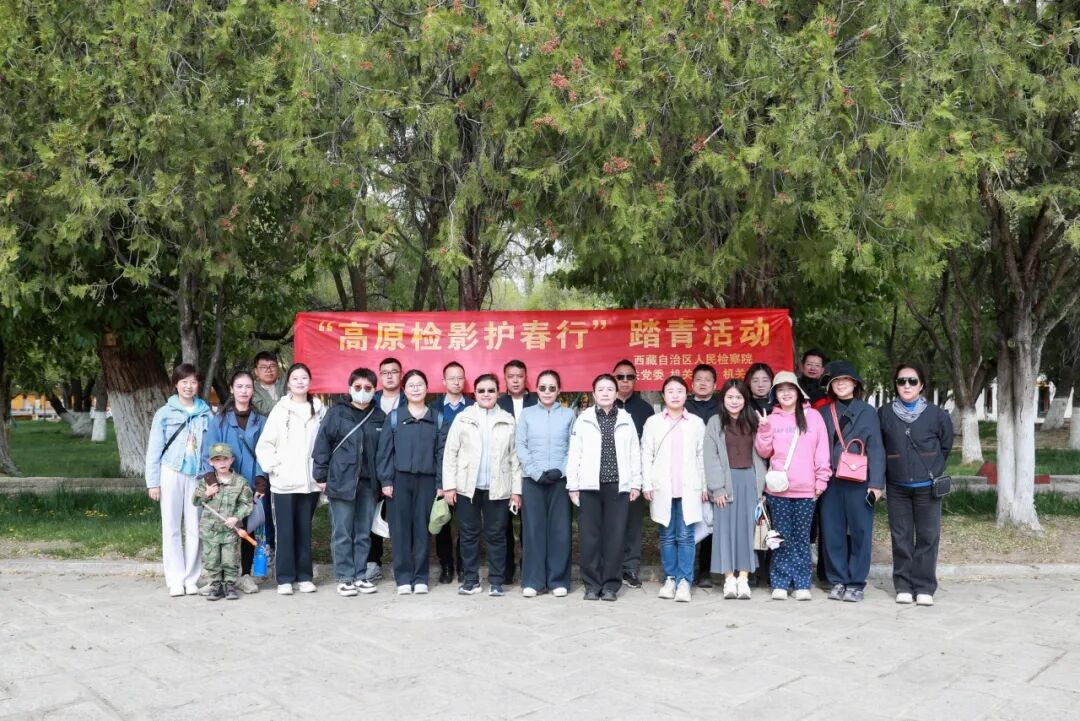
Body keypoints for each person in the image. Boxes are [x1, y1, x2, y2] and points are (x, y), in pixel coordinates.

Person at [879, 363, 953, 606]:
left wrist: (931, 467)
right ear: (896, 385)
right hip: (897, 486)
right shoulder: (884, 413)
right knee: (900, 537)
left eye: (912, 381)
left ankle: (924, 586)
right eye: (901, 381)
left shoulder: (937, 415)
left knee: (927, 537)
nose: (907, 385)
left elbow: (945, 446)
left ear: (921, 385)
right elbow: (879, 447)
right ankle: (903, 585)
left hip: (927, 487)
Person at [442, 374, 522, 597]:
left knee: (497, 535)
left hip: (499, 488)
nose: (486, 394)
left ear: (498, 393)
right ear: (474, 393)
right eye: (481, 390)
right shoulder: (463, 418)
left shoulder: (508, 420)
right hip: (467, 488)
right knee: (468, 535)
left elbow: (515, 458)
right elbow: (450, 453)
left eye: (491, 390)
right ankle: (471, 580)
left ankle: (496, 581)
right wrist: (449, 486)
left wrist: (516, 491)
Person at [754, 371, 831, 600]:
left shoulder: (813, 417)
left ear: (798, 392)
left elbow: (822, 450)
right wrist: (764, 429)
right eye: (780, 390)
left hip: (806, 488)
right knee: (779, 537)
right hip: (778, 489)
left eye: (790, 389)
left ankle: (801, 583)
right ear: (775, 395)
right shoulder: (772, 418)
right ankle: (780, 581)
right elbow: (763, 452)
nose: (786, 393)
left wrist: (822, 479)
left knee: (802, 538)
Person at [566, 374, 642, 602]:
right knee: (589, 538)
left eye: (610, 389)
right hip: (589, 486)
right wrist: (573, 485)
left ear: (616, 393)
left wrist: (636, 482)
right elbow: (575, 454)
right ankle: (591, 584)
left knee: (615, 537)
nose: (606, 393)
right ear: (594, 394)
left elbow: (634, 452)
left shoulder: (626, 419)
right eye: (601, 389)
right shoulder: (583, 419)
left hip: (618, 486)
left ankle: (610, 585)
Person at [312, 368, 386, 597]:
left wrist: (383, 481)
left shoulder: (379, 415)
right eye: (358, 387)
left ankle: (360, 575)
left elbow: (384, 452)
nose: (362, 391)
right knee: (342, 532)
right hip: (341, 480)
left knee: (363, 532)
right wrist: (320, 476)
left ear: (374, 390)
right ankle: (345, 577)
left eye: (368, 388)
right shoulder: (337, 413)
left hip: (368, 484)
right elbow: (322, 445)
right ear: (349, 388)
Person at [818, 360, 886, 603]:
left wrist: (876, 484)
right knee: (832, 532)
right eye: (836, 381)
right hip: (831, 480)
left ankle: (856, 583)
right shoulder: (823, 413)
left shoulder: (868, 412)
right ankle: (837, 580)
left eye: (845, 380)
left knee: (861, 532)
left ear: (855, 384)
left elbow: (876, 448)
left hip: (860, 480)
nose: (841, 384)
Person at [255, 363, 326, 595]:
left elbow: (325, 442)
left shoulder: (319, 409)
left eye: (304, 378)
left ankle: (304, 576)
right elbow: (265, 445)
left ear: (310, 381)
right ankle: (285, 578)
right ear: (288, 383)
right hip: (283, 482)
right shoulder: (280, 409)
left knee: (304, 530)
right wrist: (275, 468)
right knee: (284, 531)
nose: (300, 382)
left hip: (310, 482)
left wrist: (321, 471)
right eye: (295, 378)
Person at [376, 369, 447, 595]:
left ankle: (421, 577)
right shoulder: (394, 417)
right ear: (404, 390)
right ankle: (403, 578)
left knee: (422, 531)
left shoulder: (437, 418)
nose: (416, 389)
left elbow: (441, 454)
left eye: (420, 384)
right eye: (411, 385)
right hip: (399, 481)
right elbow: (385, 452)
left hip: (427, 482)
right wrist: (386, 480)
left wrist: (440, 483)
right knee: (400, 531)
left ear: (427, 388)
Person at [145, 363, 213, 597]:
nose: (188, 386)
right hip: (171, 471)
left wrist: (211, 478)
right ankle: (175, 579)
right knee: (171, 526)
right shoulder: (165, 413)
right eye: (184, 382)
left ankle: (191, 579)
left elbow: (211, 447)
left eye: (193, 382)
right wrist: (153, 482)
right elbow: (154, 449)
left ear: (198, 385)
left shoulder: (206, 413)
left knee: (194, 526)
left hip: (197, 475)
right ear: (176, 384)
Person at [642, 376, 707, 603]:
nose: (675, 395)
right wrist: (647, 483)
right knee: (667, 536)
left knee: (686, 536)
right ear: (663, 395)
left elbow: (701, 456)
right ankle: (670, 578)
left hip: (689, 487)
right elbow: (646, 454)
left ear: (686, 394)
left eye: (680, 391)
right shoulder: (653, 422)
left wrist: (704, 485)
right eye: (670, 391)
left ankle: (684, 581)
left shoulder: (696, 423)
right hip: (663, 488)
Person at [203, 370, 268, 595]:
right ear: (231, 389)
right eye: (239, 386)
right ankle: (219, 578)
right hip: (223, 484)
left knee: (248, 528)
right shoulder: (220, 420)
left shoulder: (261, 421)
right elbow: (208, 451)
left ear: (253, 390)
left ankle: (245, 575)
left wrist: (261, 481)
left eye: (248, 386)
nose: (243, 391)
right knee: (223, 531)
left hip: (250, 483)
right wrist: (211, 481)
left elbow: (265, 452)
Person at [516, 370, 576, 598]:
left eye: (552, 387)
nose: (547, 392)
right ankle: (534, 581)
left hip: (560, 481)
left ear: (559, 390)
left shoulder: (569, 415)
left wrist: (561, 470)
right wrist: (535, 473)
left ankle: (558, 580)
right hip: (533, 481)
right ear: (536, 389)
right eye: (543, 387)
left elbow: (574, 446)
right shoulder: (527, 414)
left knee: (560, 531)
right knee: (533, 530)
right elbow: (520, 446)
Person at [705, 380, 768, 600]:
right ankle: (729, 578)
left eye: (738, 397)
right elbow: (710, 456)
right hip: (726, 482)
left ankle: (743, 578)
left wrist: (760, 487)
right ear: (723, 399)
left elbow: (763, 453)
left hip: (749, 480)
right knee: (725, 531)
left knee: (747, 530)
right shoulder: (715, 422)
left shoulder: (753, 420)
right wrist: (717, 488)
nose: (734, 401)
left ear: (745, 399)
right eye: (730, 397)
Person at [611, 359, 655, 590]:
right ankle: (611, 568)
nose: (625, 381)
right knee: (610, 523)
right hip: (608, 475)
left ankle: (630, 569)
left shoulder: (645, 409)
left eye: (630, 377)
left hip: (634, 476)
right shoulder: (604, 405)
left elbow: (648, 447)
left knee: (632, 524)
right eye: (620, 377)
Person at [429, 361, 473, 584]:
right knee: (443, 520)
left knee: (466, 524)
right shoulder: (434, 408)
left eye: (460, 378)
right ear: (444, 381)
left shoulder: (474, 406)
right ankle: (446, 565)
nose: (456, 382)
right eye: (452, 378)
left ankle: (464, 566)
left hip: (467, 474)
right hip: (441, 473)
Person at [193, 444, 254, 601]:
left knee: (230, 559)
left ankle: (229, 585)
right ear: (211, 462)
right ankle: (216, 585)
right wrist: (207, 493)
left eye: (225, 459)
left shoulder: (240, 482)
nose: (222, 463)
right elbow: (195, 501)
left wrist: (236, 517)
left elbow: (246, 504)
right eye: (217, 459)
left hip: (230, 531)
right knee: (212, 559)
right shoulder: (207, 481)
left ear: (231, 460)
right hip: (210, 530)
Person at [496, 359, 537, 585]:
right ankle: (506, 569)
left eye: (519, 376)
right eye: (510, 376)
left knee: (529, 524)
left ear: (525, 378)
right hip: (504, 470)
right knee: (503, 524)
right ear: (505, 378)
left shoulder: (537, 401)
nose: (515, 380)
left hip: (531, 471)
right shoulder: (498, 403)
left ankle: (528, 568)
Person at [366, 356, 403, 583]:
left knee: (400, 518)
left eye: (394, 372)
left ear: (401, 375)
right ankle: (373, 562)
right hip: (372, 467)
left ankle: (402, 564)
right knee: (371, 516)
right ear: (380, 376)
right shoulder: (370, 400)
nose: (389, 376)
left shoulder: (410, 400)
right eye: (385, 372)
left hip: (401, 468)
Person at [684, 363, 719, 589]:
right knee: (688, 520)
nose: (703, 383)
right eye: (698, 379)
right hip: (687, 472)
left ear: (715, 385)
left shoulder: (722, 406)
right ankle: (687, 568)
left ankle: (706, 570)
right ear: (692, 383)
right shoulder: (683, 406)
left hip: (714, 470)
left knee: (710, 521)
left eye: (708, 379)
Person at [743, 361, 775, 586]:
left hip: (778, 470)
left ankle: (773, 569)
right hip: (750, 468)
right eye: (755, 380)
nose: (761, 384)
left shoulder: (780, 406)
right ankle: (754, 569)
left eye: (765, 380)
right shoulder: (743, 406)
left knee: (774, 522)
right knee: (754, 521)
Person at [251, 351, 285, 416]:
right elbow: (262, 408)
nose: (268, 370)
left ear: (277, 368)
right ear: (256, 371)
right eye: (263, 367)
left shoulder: (288, 383)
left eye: (272, 366)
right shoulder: (252, 390)